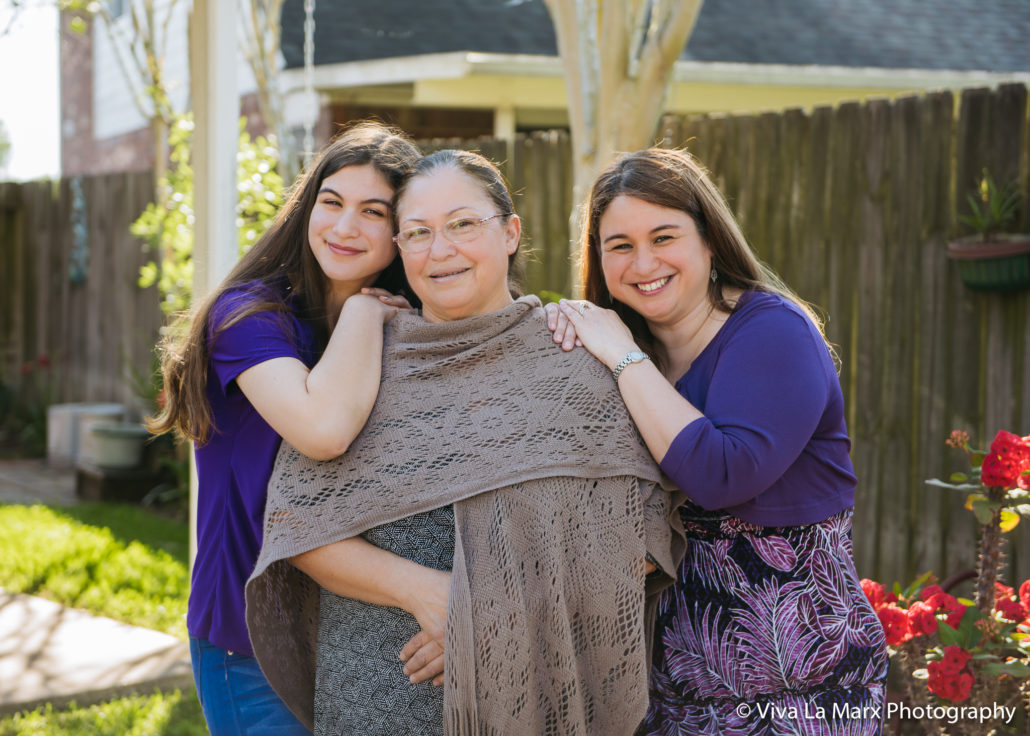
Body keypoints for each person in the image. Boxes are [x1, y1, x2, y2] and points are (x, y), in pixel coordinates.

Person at [245, 149, 685, 736]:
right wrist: (428, 594)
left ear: (510, 232)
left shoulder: (576, 359)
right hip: (376, 707)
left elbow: (641, 542)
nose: (440, 249)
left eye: (462, 225)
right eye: (419, 233)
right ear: (399, 249)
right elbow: (299, 527)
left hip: (536, 698)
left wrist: (489, 614)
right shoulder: (362, 365)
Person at [549, 148, 888, 734]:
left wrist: (622, 357)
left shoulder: (772, 331)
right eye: (620, 245)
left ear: (710, 242)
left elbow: (723, 474)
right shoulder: (615, 351)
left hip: (800, 689)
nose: (643, 262)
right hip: (664, 690)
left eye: (664, 236)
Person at [147, 121, 421, 735]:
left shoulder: (405, 325)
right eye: (332, 203)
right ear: (306, 207)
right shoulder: (247, 317)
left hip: (361, 635)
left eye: (373, 211)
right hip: (248, 640)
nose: (345, 227)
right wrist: (363, 310)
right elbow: (322, 430)